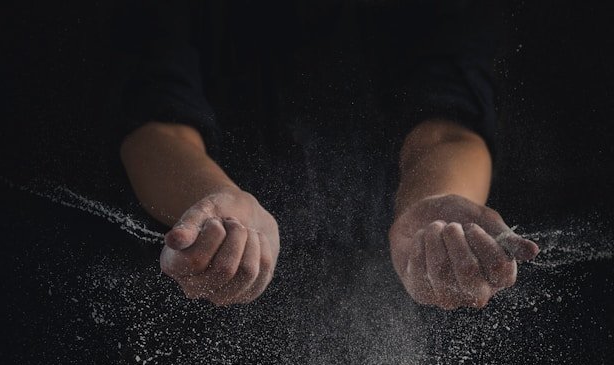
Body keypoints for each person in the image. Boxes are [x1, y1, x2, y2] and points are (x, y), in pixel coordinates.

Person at [114, 0, 539, 312]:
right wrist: (213, 202)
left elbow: (450, 125)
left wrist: (435, 207)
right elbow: (156, 121)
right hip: (199, 295)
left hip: (395, 295)